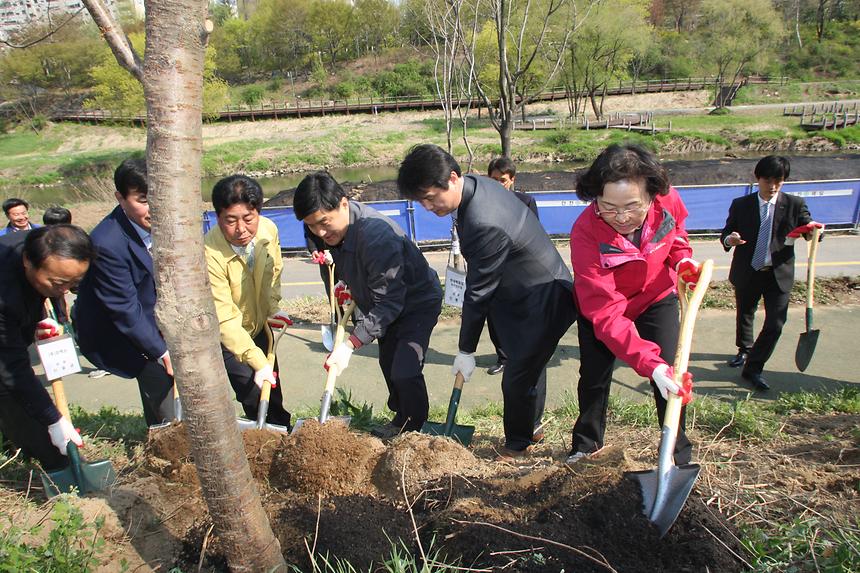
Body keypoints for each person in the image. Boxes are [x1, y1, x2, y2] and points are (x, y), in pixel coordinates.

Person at [398, 144, 575, 459]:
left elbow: (478, 291)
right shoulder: (475, 186)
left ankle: (517, 445)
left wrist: (466, 350)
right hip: (518, 290)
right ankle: (532, 427)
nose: (427, 207)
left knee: (518, 375)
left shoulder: (483, 220)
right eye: (421, 201)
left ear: (453, 178)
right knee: (528, 366)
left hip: (543, 293)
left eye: (430, 198)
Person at [567, 144, 700, 464]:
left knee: (671, 374)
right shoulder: (585, 233)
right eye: (608, 207)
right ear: (595, 198)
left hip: (656, 297)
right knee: (594, 377)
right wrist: (648, 365)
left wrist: (682, 260)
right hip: (604, 310)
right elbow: (605, 312)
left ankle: (676, 453)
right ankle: (586, 446)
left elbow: (676, 233)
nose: (622, 217)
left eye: (632, 206)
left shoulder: (668, 201)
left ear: (652, 196)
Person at [295, 171, 443, 439]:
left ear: (343, 203)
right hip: (382, 298)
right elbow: (355, 266)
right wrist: (346, 284)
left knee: (405, 369)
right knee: (388, 363)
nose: (320, 232)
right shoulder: (331, 229)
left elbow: (390, 301)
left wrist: (350, 344)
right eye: (312, 226)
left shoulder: (376, 236)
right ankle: (402, 417)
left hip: (416, 301)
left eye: (324, 223)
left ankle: (413, 429)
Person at [73, 159, 180, 423]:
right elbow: (125, 309)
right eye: (143, 200)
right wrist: (162, 352)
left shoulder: (170, 222)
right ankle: (165, 431)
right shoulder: (106, 243)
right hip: (116, 330)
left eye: (159, 197)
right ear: (120, 198)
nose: (155, 208)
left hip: (153, 317)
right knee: (161, 378)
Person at [720, 155, 821, 391]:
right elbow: (726, 232)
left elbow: (809, 228)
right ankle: (745, 349)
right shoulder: (741, 204)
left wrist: (814, 231)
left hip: (778, 273)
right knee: (745, 313)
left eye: (779, 181)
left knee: (776, 322)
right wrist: (730, 239)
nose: (773, 186)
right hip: (748, 269)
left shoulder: (795, 204)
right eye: (768, 180)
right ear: (758, 178)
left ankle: (754, 367)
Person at [0, 225, 93, 470]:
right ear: (27, 261)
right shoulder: (4, 291)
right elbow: (12, 368)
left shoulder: (44, 245)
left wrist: (37, 320)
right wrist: (53, 419)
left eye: (74, 283)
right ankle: (55, 464)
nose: (65, 291)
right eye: (59, 282)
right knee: (11, 392)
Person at [204, 175, 293, 428]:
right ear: (218, 217)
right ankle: (258, 434)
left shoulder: (268, 230)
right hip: (228, 335)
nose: (241, 229)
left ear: (258, 212)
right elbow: (224, 317)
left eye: (248, 218)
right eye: (231, 220)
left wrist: (272, 307)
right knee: (251, 391)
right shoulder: (209, 253)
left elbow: (274, 271)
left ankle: (282, 430)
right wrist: (256, 360)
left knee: (272, 386)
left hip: (259, 324)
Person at [485, 156, 540, 376]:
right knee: (494, 315)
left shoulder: (525, 202)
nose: (498, 184)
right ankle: (504, 357)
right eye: (494, 179)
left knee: (522, 313)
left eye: (503, 180)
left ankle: (526, 355)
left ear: (512, 180)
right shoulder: (480, 204)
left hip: (519, 268)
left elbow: (535, 236)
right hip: (492, 269)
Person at [41, 206, 74, 327]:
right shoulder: (41, 241)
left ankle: (65, 325)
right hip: (46, 281)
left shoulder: (76, 240)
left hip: (67, 280)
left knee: (61, 308)